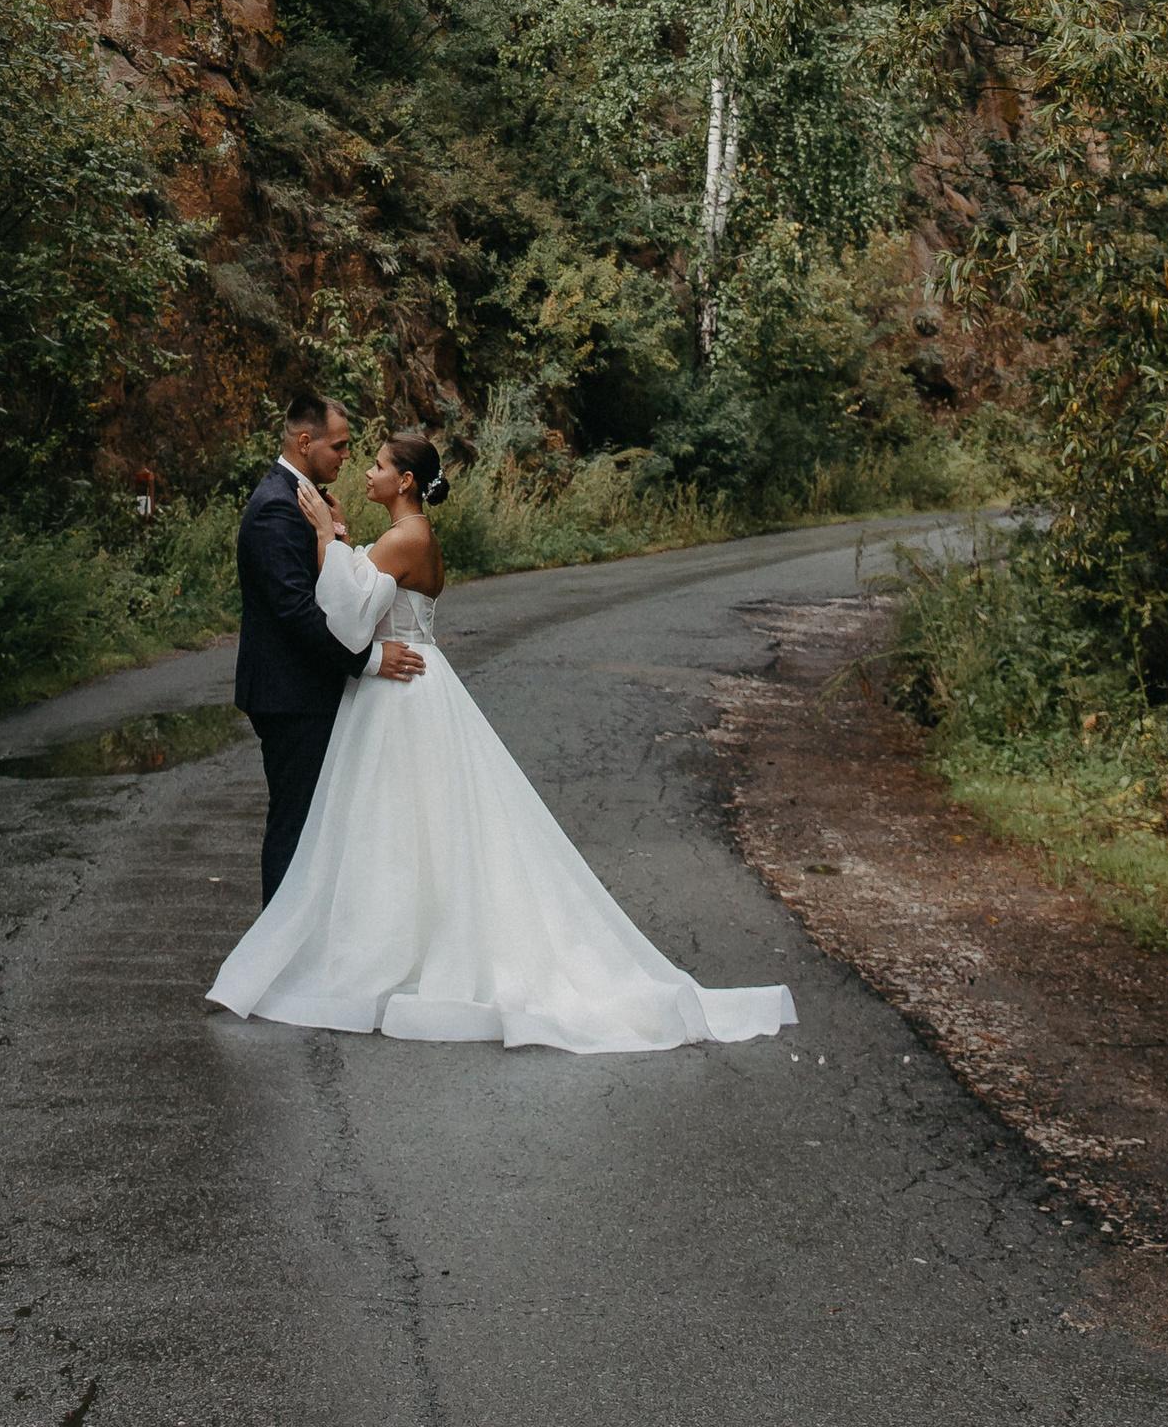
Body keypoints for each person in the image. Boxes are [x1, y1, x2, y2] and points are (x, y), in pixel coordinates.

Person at [210, 426, 799, 1056]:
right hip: (420, 684)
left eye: (378, 465)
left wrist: (327, 540)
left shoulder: (403, 538)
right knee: (413, 828)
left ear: (405, 481)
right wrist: (348, 547)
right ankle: (391, 940)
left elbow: (348, 621)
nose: (367, 473)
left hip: (398, 690)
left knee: (391, 825)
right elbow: (367, 591)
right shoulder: (411, 538)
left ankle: (381, 952)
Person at [232, 392, 426, 907]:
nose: (347, 457)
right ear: (304, 441)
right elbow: (298, 614)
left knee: (318, 823)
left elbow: (329, 589)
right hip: (290, 697)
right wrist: (369, 659)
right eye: (339, 447)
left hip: (305, 691)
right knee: (297, 826)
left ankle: (303, 945)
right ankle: (277, 953)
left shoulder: (303, 499)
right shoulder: (276, 507)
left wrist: (334, 536)